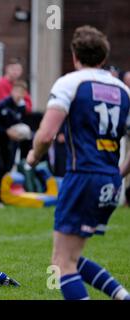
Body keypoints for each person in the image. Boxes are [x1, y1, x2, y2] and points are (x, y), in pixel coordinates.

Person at [26, 25, 130, 300]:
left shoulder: (70, 82)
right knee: (70, 257)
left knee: (61, 264)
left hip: (82, 175)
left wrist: (34, 157)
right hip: (109, 179)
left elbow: (46, 133)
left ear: (74, 55)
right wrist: (119, 173)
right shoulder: (123, 90)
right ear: (103, 57)